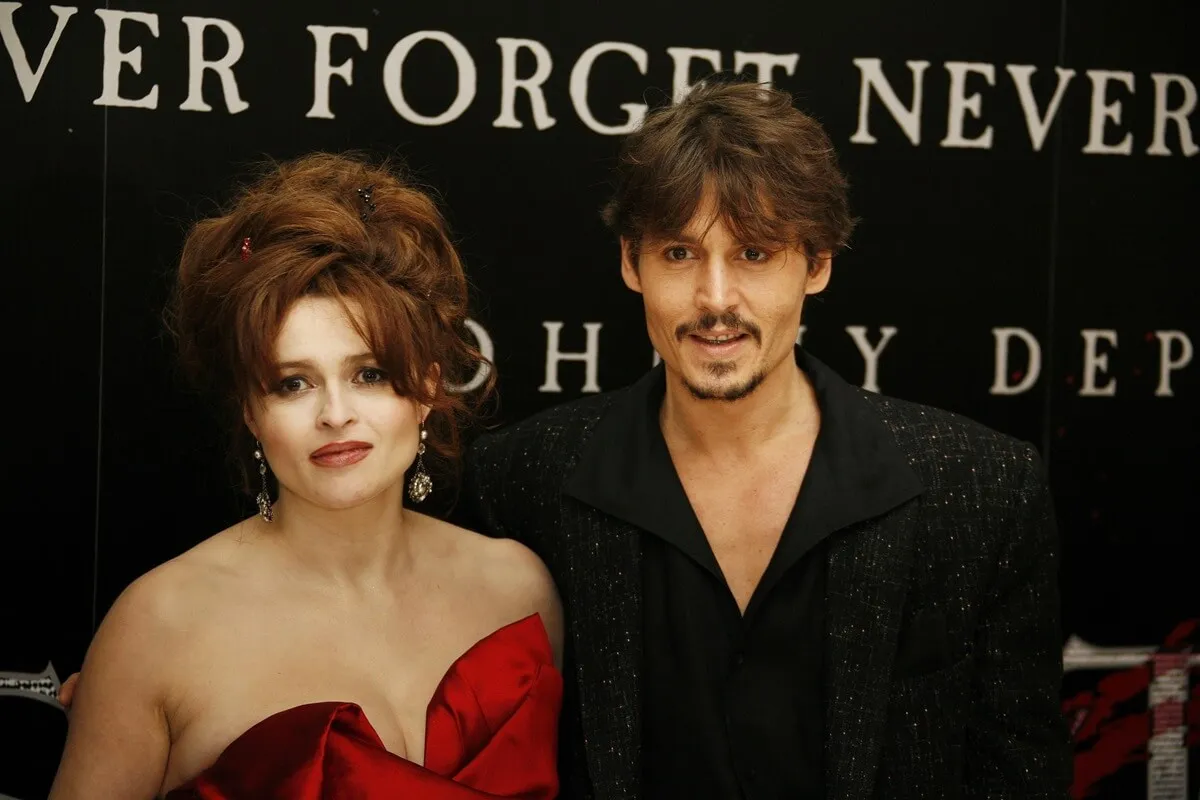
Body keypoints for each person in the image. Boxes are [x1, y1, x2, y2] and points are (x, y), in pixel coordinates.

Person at [457, 80, 1073, 798]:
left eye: (754, 253)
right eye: (680, 254)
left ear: (817, 264)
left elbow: (1020, 777)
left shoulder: (982, 492)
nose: (716, 299)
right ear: (632, 264)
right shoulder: (521, 483)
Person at [49, 154, 563, 799]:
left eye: (369, 374)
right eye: (293, 384)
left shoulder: (520, 590)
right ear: (251, 412)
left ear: (429, 385)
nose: (336, 414)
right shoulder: (159, 626)